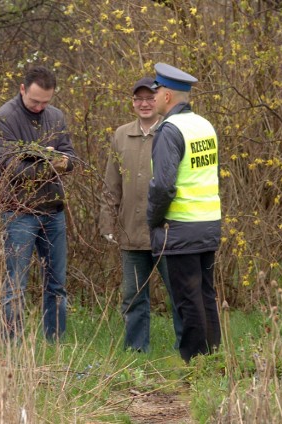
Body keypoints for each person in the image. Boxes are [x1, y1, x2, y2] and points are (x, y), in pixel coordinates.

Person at [0, 65, 76, 341]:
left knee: (57, 284)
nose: (40, 107)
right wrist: (49, 163)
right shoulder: (5, 119)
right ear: (22, 89)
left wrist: (61, 160)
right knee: (15, 284)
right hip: (18, 213)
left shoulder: (56, 117)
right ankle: (12, 344)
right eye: (34, 101)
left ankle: (56, 341)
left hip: (53, 210)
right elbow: (9, 168)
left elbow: (71, 157)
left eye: (46, 102)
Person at [99, 77, 183, 352]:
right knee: (133, 297)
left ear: (160, 99)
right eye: (139, 99)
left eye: (150, 98)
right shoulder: (121, 134)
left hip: (169, 232)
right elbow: (111, 184)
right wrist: (108, 222)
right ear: (132, 102)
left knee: (180, 294)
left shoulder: (172, 131)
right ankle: (136, 353)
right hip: (131, 233)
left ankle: (189, 352)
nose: (144, 104)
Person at [146, 63, 222, 363]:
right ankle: (214, 359)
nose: (152, 100)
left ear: (167, 96)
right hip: (208, 225)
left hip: (181, 226)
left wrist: (152, 219)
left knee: (187, 300)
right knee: (206, 296)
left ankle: (194, 363)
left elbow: (163, 185)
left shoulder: (170, 130)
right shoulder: (204, 125)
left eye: (156, 93)